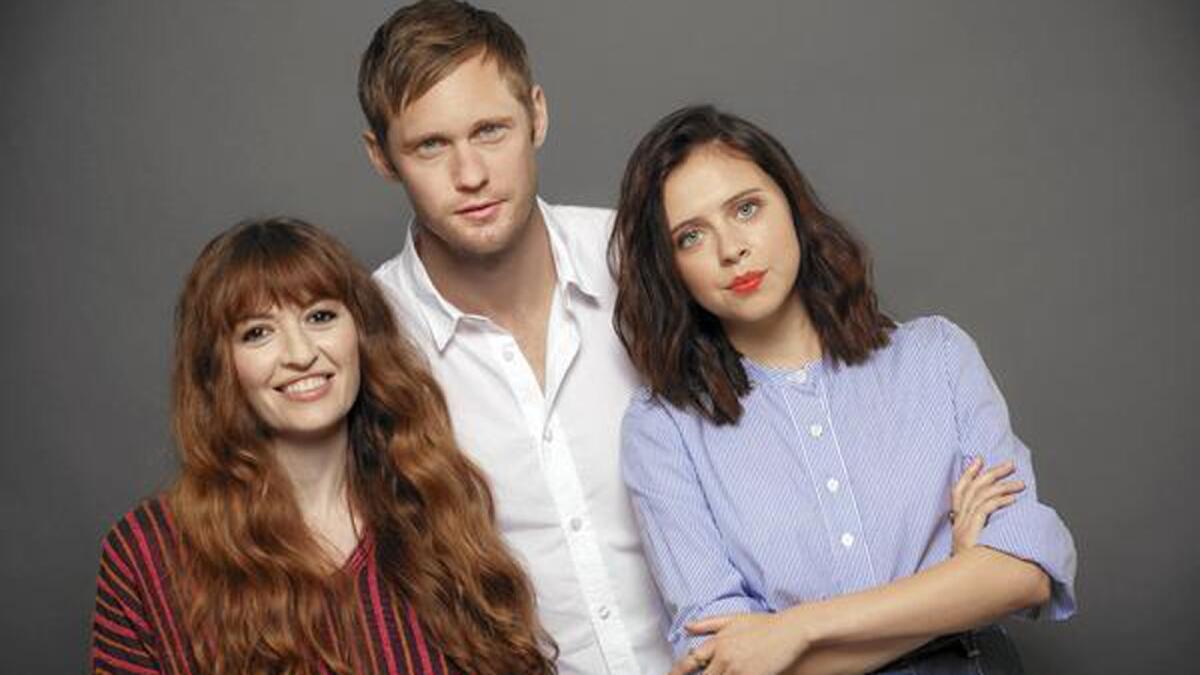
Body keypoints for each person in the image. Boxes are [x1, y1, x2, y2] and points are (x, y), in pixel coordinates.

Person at [609, 106, 1077, 675]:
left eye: (747, 208)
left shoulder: (935, 356)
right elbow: (726, 664)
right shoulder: (664, 428)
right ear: (668, 267)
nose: (730, 249)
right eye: (691, 237)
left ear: (793, 206)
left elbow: (1023, 571)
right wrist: (953, 587)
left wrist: (797, 628)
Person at [90, 218, 553, 675]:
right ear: (218, 368)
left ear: (361, 334)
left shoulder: (434, 503)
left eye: (320, 316)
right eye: (258, 332)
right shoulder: (147, 555)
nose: (300, 352)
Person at [359, 2, 673, 673]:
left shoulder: (641, 259)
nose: (469, 174)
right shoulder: (365, 338)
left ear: (537, 114)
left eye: (490, 130)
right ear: (382, 156)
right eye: (430, 146)